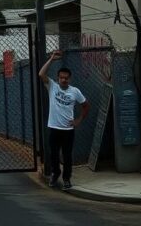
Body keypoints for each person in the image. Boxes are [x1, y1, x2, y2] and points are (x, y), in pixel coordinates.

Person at [39, 49, 89, 190]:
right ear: (58, 78)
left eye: (66, 78)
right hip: (54, 128)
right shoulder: (52, 86)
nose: (64, 80)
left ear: (70, 79)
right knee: (54, 154)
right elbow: (41, 74)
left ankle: (67, 179)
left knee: (67, 156)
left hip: (68, 130)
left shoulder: (75, 91)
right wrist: (51, 59)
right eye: (61, 77)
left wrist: (78, 120)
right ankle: (56, 174)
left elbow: (86, 106)